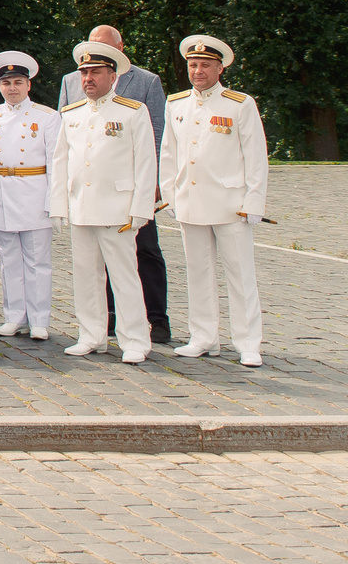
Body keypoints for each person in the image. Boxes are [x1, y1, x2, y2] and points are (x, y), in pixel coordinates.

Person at [59, 24, 172, 344]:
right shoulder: (71, 82)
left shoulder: (146, 82)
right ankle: (99, 327)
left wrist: (154, 185)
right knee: (88, 269)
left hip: (128, 192)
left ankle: (155, 320)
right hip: (86, 196)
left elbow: (157, 136)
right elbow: (65, 142)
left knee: (144, 254)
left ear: (120, 51)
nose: (88, 75)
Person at [163, 34, 268, 366]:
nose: (198, 71)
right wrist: (170, 195)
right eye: (193, 65)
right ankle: (203, 336)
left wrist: (254, 201)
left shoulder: (239, 104)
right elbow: (169, 154)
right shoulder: (176, 103)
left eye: (205, 65)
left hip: (229, 204)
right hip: (191, 201)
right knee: (198, 273)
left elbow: (255, 157)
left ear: (220, 68)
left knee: (240, 275)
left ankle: (248, 342)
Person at [0, 51, 58, 340]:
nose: (12, 88)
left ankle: (40, 320)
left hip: (34, 190)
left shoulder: (47, 117)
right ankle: (14, 315)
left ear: (29, 85)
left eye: (17, 82)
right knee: (8, 259)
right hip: (1, 189)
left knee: (38, 260)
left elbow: (55, 162)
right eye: (6, 83)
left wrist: (54, 201)